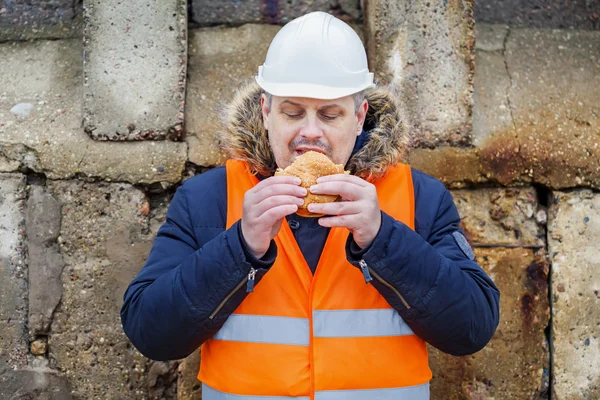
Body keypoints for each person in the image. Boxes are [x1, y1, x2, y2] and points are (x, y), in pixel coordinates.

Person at [121, 11, 500, 400]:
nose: (310, 132)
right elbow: (150, 333)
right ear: (266, 113)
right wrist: (240, 247)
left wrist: (382, 239)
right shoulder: (208, 197)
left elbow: (472, 327)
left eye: (330, 114)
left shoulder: (421, 196)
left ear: (359, 117)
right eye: (292, 112)